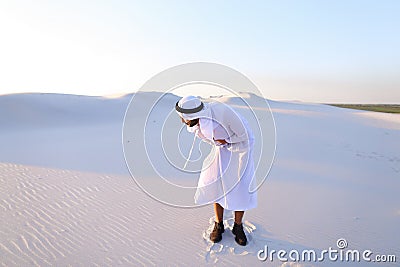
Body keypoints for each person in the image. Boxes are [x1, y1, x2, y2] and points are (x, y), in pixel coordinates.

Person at [175, 95, 257, 246]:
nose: (181, 119)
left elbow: (244, 135)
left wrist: (226, 141)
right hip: (222, 149)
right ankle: (219, 224)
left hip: (240, 148)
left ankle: (237, 226)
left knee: (239, 188)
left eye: (183, 116)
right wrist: (221, 143)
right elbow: (210, 138)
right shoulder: (196, 122)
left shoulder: (223, 111)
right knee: (215, 183)